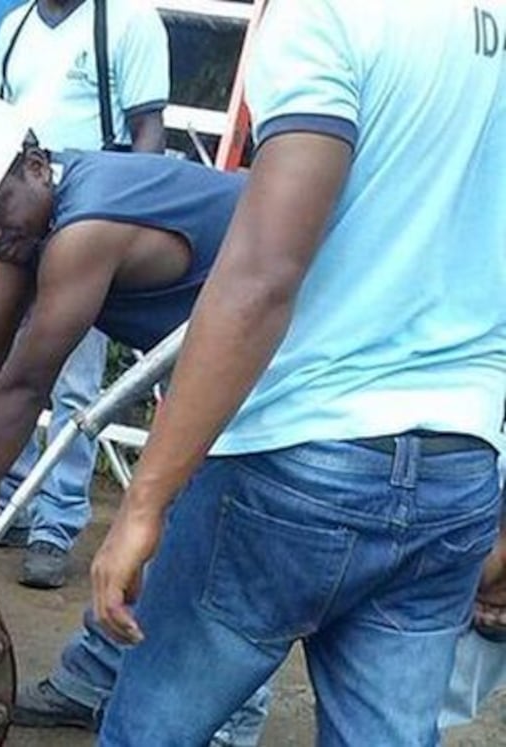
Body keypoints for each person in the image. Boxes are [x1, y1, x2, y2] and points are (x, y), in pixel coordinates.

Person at [88, 1, 506, 744]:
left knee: (150, 730)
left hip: (301, 461)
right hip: (458, 465)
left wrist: (146, 499)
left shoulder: (330, 14)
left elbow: (260, 278)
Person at [0, 95, 269, 740]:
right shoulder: (28, 225)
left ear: (35, 165)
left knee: (215, 525)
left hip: (275, 341)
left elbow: (25, 384)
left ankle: (229, 717)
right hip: (209, 348)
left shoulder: (84, 229)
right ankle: (93, 675)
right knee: (168, 523)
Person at [0, 0, 170, 591]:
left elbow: (148, 128)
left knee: (71, 389)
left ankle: (56, 521)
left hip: (91, 228)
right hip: (22, 223)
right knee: (11, 363)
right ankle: (14, 503)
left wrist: (125, 209)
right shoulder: (16, 26)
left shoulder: (128, 21)